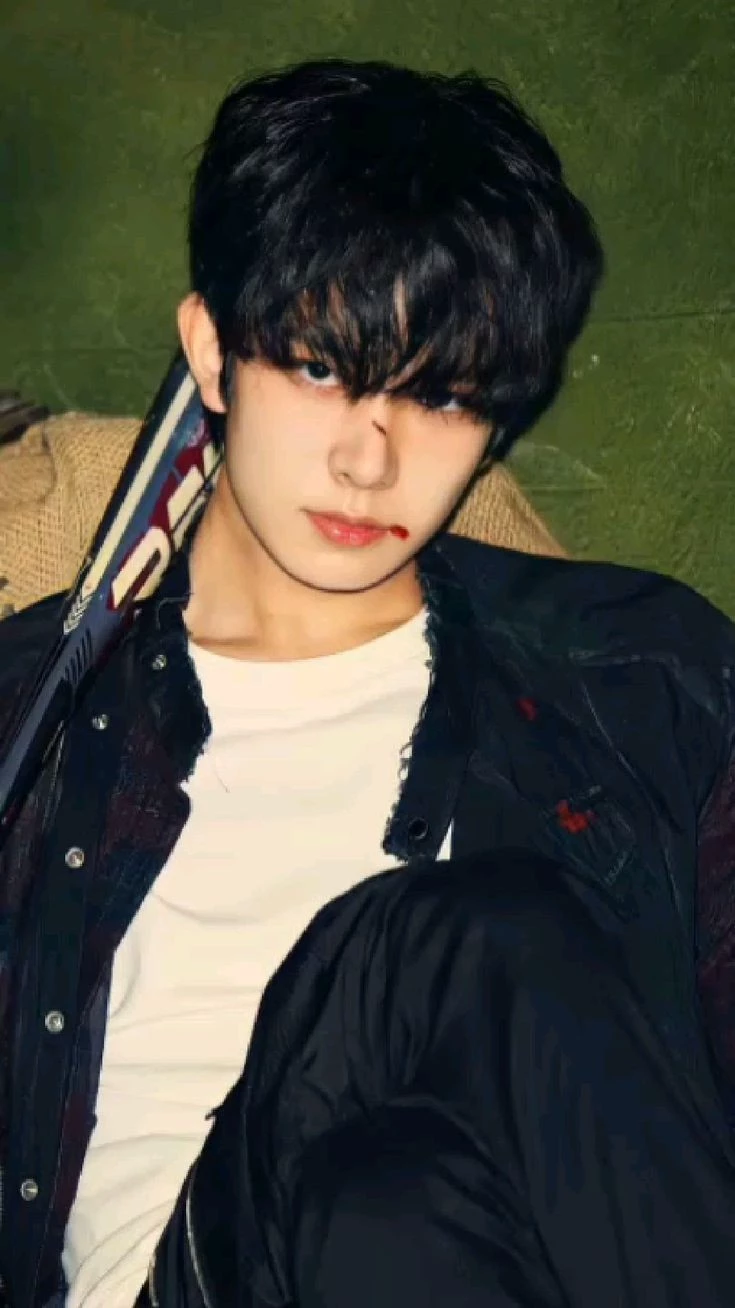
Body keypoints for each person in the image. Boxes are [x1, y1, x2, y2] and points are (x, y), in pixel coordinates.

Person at [0, 57, 734, 1308]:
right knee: (457, 939)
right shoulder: (35, 719)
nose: (369, 458)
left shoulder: (647, 678)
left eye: (440, 395)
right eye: (322, 369)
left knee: (385, 1199)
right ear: (214, 355)